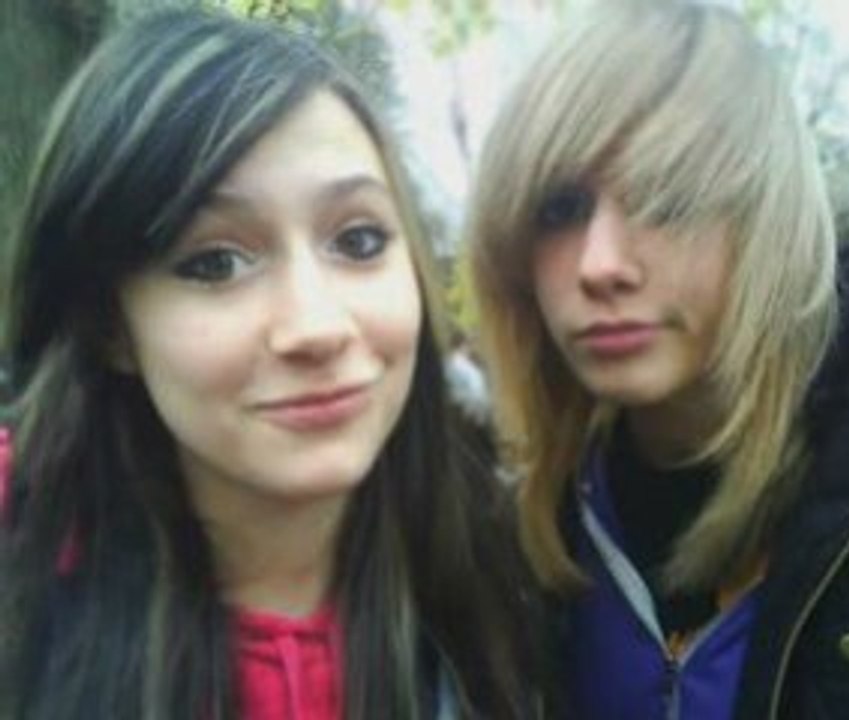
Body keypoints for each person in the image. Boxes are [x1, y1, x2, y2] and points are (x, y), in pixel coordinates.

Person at [0, 10, 541, 719]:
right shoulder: (22, 574)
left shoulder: (516, 564)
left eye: (359, 240)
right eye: (215, 262)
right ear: (111, 327)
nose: (317, 326)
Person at [465, 0, 849, 718]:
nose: (599, 264)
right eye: (561, 209)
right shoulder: (518, 527)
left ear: (765, 222)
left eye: (667, 196)